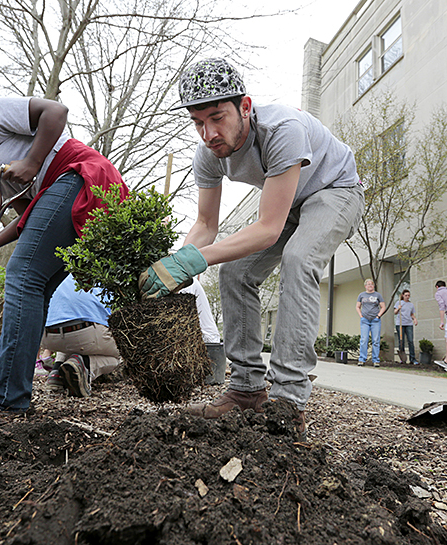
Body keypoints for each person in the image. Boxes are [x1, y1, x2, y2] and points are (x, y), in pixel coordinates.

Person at [137, 58, 364, 437]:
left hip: (336, 190)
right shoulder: (207, 155)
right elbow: (206, 226)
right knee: (235, 271)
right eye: (197, 122)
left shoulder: (281, 129)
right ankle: (245, 389)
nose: (208, 132)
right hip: (290, 203)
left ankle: (289, 401)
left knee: (298, 259)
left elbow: (269, 229)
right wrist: (174, 263)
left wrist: (195, 260)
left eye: (217, 117)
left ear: (245, 107)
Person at [0, 97, 128, 415]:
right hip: (65, 191)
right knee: (38, 285)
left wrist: (33, 161)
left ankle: (3, 394)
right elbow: (29, 221)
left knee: (23, 277)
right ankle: (7, 383)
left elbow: (56, 111)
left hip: (81, 177)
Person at [40, 274, 121, 397]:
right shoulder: (103, 277)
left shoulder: (58, 273)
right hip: (83, 333)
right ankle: (86, 366)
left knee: (71, 340)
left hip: (46, 336)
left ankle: (56, 373)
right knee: (123, 353)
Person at [356, 279, 386, 367]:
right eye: (368, 284)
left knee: (376, 340)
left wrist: (378, 316)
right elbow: (358, 306)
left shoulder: (378, 295)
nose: (370, 286)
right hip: (365, 320)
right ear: (365, 286)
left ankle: (376, 360)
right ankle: (362, 359)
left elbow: (383, 307)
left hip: (375, 321)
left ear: (373, 286)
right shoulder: (361, 295)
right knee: (364, 339)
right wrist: (361, 316)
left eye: (371, 284)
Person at [394, 289, 418, 364]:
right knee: (401, 341)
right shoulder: (399, 302)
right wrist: (398, 308)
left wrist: (415, 319)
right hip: (400, 324)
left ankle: (412, 359)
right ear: (403, 296)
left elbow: (411, 314)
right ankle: (402, 359)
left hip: (409, 324)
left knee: (410, 341)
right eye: (406, 295)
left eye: (408, 295)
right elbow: (395, 312)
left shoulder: (411, 305)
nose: (407, 297)